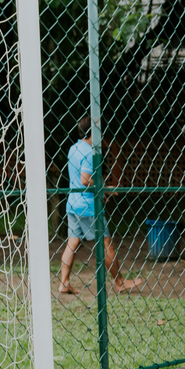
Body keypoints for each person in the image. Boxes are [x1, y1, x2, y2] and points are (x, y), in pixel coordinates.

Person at [57, 116, 142, 295]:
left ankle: (64, 283)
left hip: (72, 203)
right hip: (88, 207)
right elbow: (85, 179)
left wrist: (101, 192)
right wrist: (104, 188)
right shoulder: (90, 152)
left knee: (72, 243)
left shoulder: (74, 148)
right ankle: (119, 282)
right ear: (93, 132)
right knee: (106, 244)